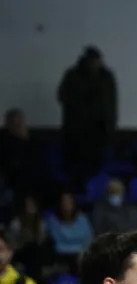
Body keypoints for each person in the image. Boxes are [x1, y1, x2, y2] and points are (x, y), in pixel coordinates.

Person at [57, 46, 117, 184]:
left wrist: (111, 129)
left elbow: (111, 105)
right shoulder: (72, 75)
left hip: (100, 133)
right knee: (75, 172)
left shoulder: (106, 77)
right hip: (75, 133)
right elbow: (62, 96)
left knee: (96, 171)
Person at [45, 191, 93, 270]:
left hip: (81, 256)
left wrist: (81, 252)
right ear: (60, 203)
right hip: (60, 257)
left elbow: (88, 239)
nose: (66, 204)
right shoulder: (53, 221)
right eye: (64, 201)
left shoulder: (82, 219)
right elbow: (57, 243)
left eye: (69, 201)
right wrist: (76, 248)